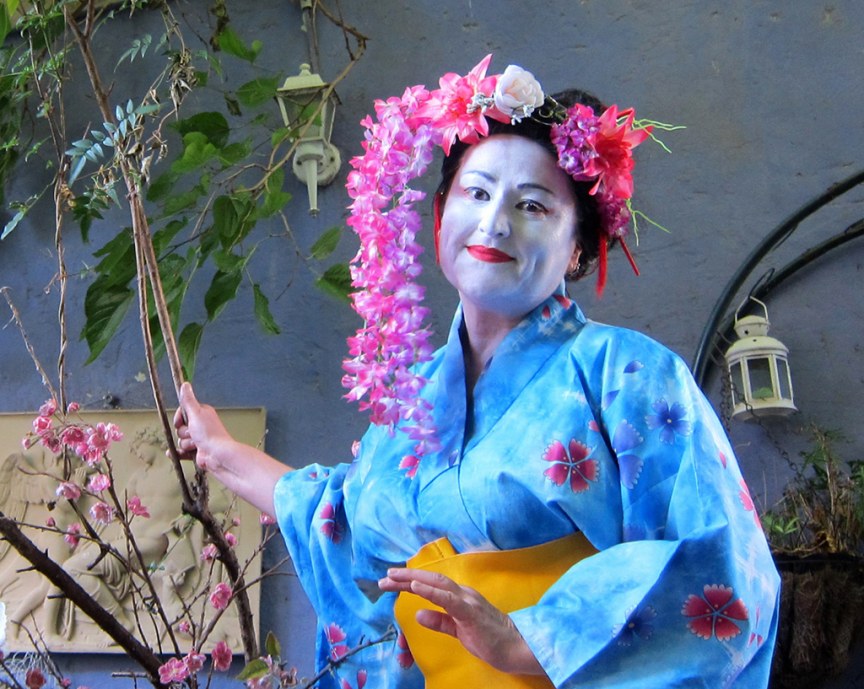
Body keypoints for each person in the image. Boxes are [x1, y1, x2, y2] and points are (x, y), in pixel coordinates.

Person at [175, 55, 780, 688]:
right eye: (478, 192)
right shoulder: (411, 401)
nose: (495, 223)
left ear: (578, 246)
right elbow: (341, 518)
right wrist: (220, 453)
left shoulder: (627, 373)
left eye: (534, 206)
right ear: (440, 216)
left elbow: (727, 569)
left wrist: (530, 640)